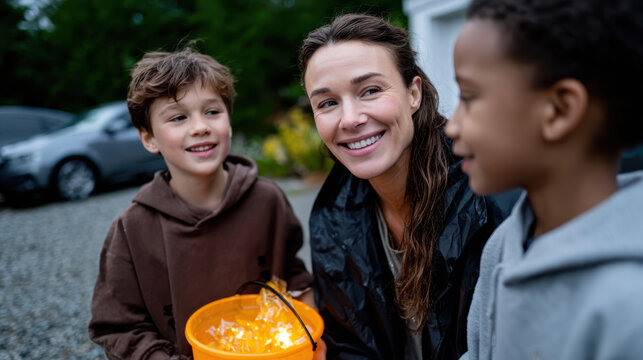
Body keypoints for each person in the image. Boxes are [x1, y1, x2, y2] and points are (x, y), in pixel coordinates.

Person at [299, 14, 516, 360]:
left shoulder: (488, 199)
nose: (350, 118)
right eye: (327, 103)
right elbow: (349, 346)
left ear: (413, 93)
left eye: (369, 91)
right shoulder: (331, 215)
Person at [444, 0, 643, 359]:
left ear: (559, 109)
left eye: (469, 97)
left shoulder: (629, 306)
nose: (452, 125)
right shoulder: (503, 244)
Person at [88, 48, 313, 359]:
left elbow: (293, 276)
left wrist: (310, 337)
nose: (200, 127)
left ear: (229, 122)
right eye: (178, 117)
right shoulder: (132, 229)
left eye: (212, 112)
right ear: (148, 138)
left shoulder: (267, 200)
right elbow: (119, 328)